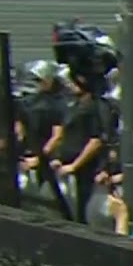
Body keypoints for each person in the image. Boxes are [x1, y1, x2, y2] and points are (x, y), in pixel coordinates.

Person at [41, 70, 106, 224]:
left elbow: (96, 141)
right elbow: (64, 135)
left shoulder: (95, 107)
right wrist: (59, 159)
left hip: (85, 170)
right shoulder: (73, 105)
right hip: (66, 169)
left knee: (82, 213)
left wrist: (74, 166)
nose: (70, 85)